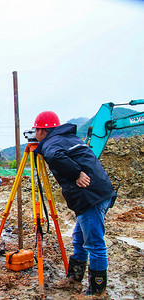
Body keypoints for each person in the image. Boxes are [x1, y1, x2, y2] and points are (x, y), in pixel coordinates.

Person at [34, 111, 115, 296]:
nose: (35, 135)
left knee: (94, 244)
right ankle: (74, 279)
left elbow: (54, 156)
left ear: (42, 131)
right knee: (79, 238)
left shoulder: (51, 143)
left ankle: (96, 291)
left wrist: (76, 173)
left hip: (91, 197)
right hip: (97, 194)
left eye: (36, 130)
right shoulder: (68, 138)